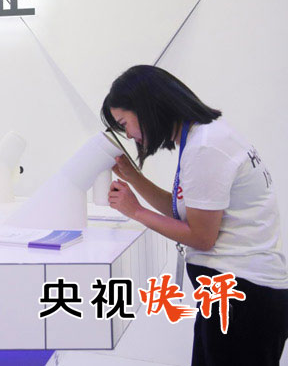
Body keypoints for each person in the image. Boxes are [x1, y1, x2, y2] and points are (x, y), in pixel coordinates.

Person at [101, 65, 288, 366]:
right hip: (234, 294)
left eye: (125, 123)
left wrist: (135, 211)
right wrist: (135, 179)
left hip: (242, 297)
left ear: (147, 107)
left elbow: (201, 237)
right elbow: (186, 214)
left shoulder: (205, 147)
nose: (129, 135)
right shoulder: (204, 138)